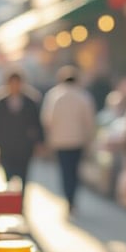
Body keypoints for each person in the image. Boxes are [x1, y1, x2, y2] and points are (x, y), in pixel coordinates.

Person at [41, 66, 97, 213]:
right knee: (74, 171)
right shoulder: (83, 96)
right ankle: (72, 198)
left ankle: (68, 198)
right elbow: (90, 121)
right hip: (77, 140)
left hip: (59, 141)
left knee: (65, 171)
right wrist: (89, 139)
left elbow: (47, 120)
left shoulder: (54, 95)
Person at [0, 72, 43, 195]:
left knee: (24, 176)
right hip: (6, 146)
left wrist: (39, 142)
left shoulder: (30, 102)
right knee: (8, 175)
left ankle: (21, 203)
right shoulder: (0, 103)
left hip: (24, 146)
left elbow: (37, 123)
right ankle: (9, 203)